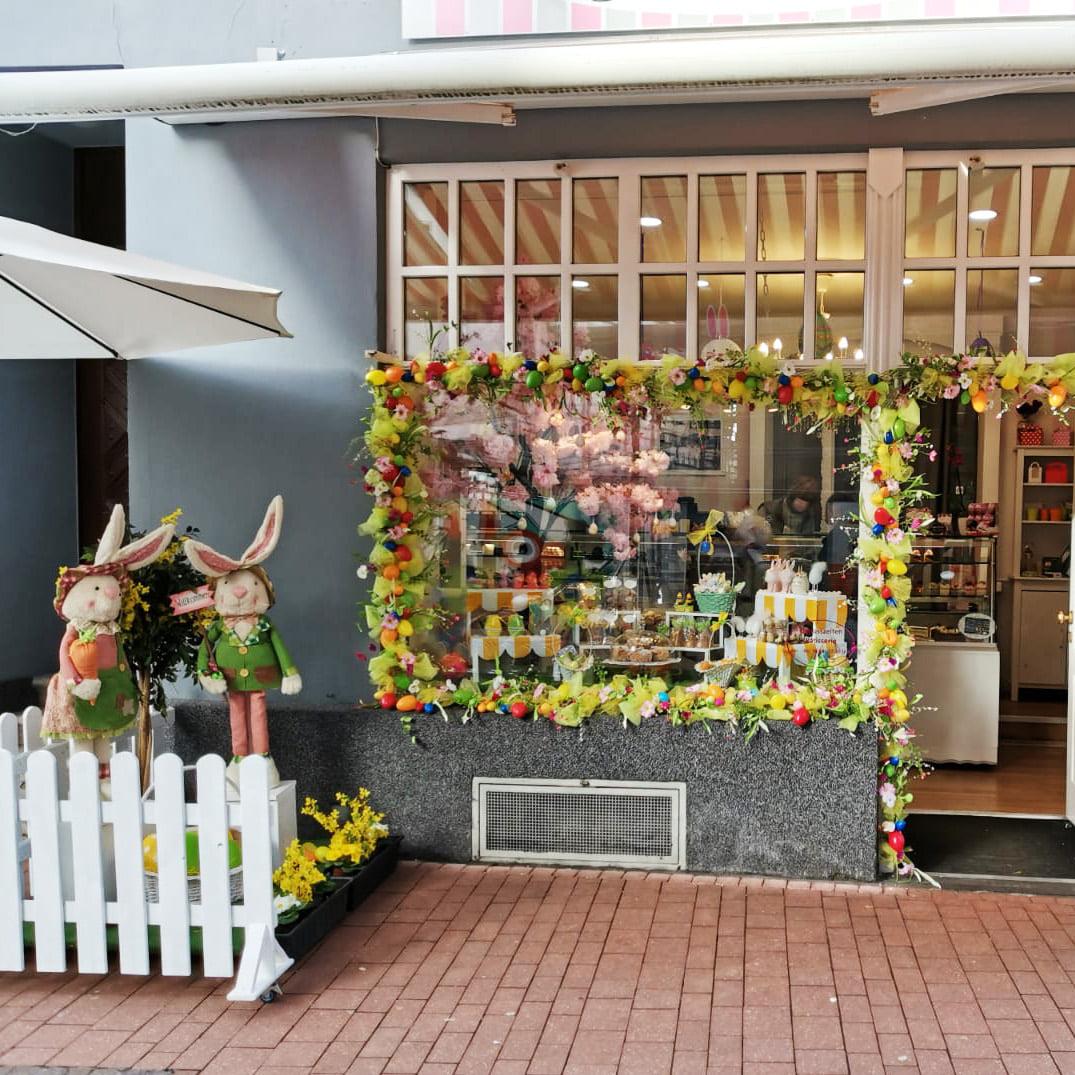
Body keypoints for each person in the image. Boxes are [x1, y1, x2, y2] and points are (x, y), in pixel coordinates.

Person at [757, 474, 822, 535]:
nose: (801, 503)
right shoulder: (768, 509)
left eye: (807, 500)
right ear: (792, 495)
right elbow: (760, 537)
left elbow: (809, 542)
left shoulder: (811, 515)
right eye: (799, 497)